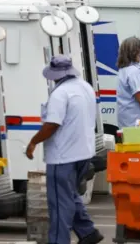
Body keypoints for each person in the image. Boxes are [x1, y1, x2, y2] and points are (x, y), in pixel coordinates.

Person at [25, 55, 104, 244]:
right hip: (83, 153)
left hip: (62, 156)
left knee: (59, 204)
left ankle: (59, 241)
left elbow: (52, 124)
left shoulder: (60, 94)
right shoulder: (85, 87)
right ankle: (87, 232)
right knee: (69, 195)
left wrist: (33, 142)